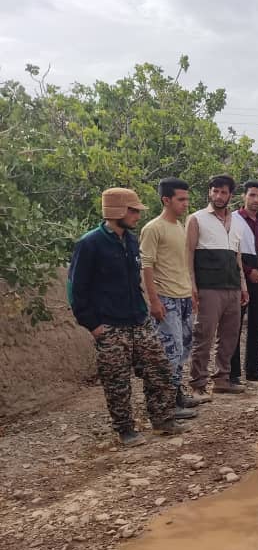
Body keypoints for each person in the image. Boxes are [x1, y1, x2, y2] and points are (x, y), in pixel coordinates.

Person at [68, 188, 192, 447]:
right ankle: (125, 430)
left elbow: (136, 280)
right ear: (117, 212)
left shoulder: (132, 241)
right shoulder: (90, 244)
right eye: (132, 210)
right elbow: (76, 290)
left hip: (138, 319)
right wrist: (93, 326)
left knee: (158, 369)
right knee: (117, 380)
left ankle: (163, 420)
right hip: (110, 326)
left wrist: (144, 309)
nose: (137, 215)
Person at [139, 178, 203, 417]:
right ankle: (166, 406)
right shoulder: (153, 228)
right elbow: (146, 266)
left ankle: (176, 395)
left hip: (183, 296)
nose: (186, 204)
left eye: (187, 198)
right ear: (166, 200)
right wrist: (154, 301)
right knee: (170, 351)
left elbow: (183, 263)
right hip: (165, 299)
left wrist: (191, 292)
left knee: (184, 348)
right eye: (181, 199)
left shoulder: (179, 226)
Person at [187, 174, 248, 397]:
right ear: (209, 192)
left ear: (231, 195)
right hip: (208, 287)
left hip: (232, 287)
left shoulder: (236, 222)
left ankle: (222, 379)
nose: (219, 196)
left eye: (223, 192)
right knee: (204, 335)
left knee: (230, 336)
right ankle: (198, 384)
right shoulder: (196, 219)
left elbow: (237, 256)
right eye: (215, 191)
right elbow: (188, 254)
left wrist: (243, 286)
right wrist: (192, 285)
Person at [230, 180, 258, 383]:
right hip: (239, 276)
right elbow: (230, 252)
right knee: (235, 325)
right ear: (243, 196)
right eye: (252, 195)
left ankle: (253, 369)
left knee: (257, 325)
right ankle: (233, 373)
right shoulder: (232, 219)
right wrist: (247, 272)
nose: (256, 199)